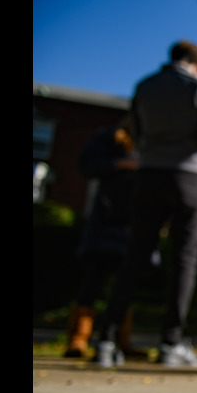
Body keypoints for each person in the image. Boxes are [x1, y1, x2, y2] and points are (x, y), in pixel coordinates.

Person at [95, 40, 197, 367]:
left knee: (135, 255)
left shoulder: (145, 87)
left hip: (150, 175)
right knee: (184, 260)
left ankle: (106, 340)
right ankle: (171, 342)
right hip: (189, 178)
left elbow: (135, 133)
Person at [63, 118, 145, 358]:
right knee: (93, 279)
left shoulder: (157, 142)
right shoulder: (111, 139)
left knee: (127, 283)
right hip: (107, 219)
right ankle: (78, 340)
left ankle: (120, 340)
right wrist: (121, 164)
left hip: (136, 222)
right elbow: (87, 165)